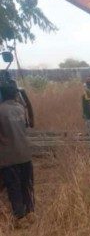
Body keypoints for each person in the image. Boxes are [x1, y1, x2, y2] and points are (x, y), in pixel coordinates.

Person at [0, 81, 34, 225]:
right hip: (25, 155)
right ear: (15, 94)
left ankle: (19, 217)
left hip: (9, 158)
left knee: (14, 187)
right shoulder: (20, 108)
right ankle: (30, 213)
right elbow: (29, 124)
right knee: (27, 185)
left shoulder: (1, 110)